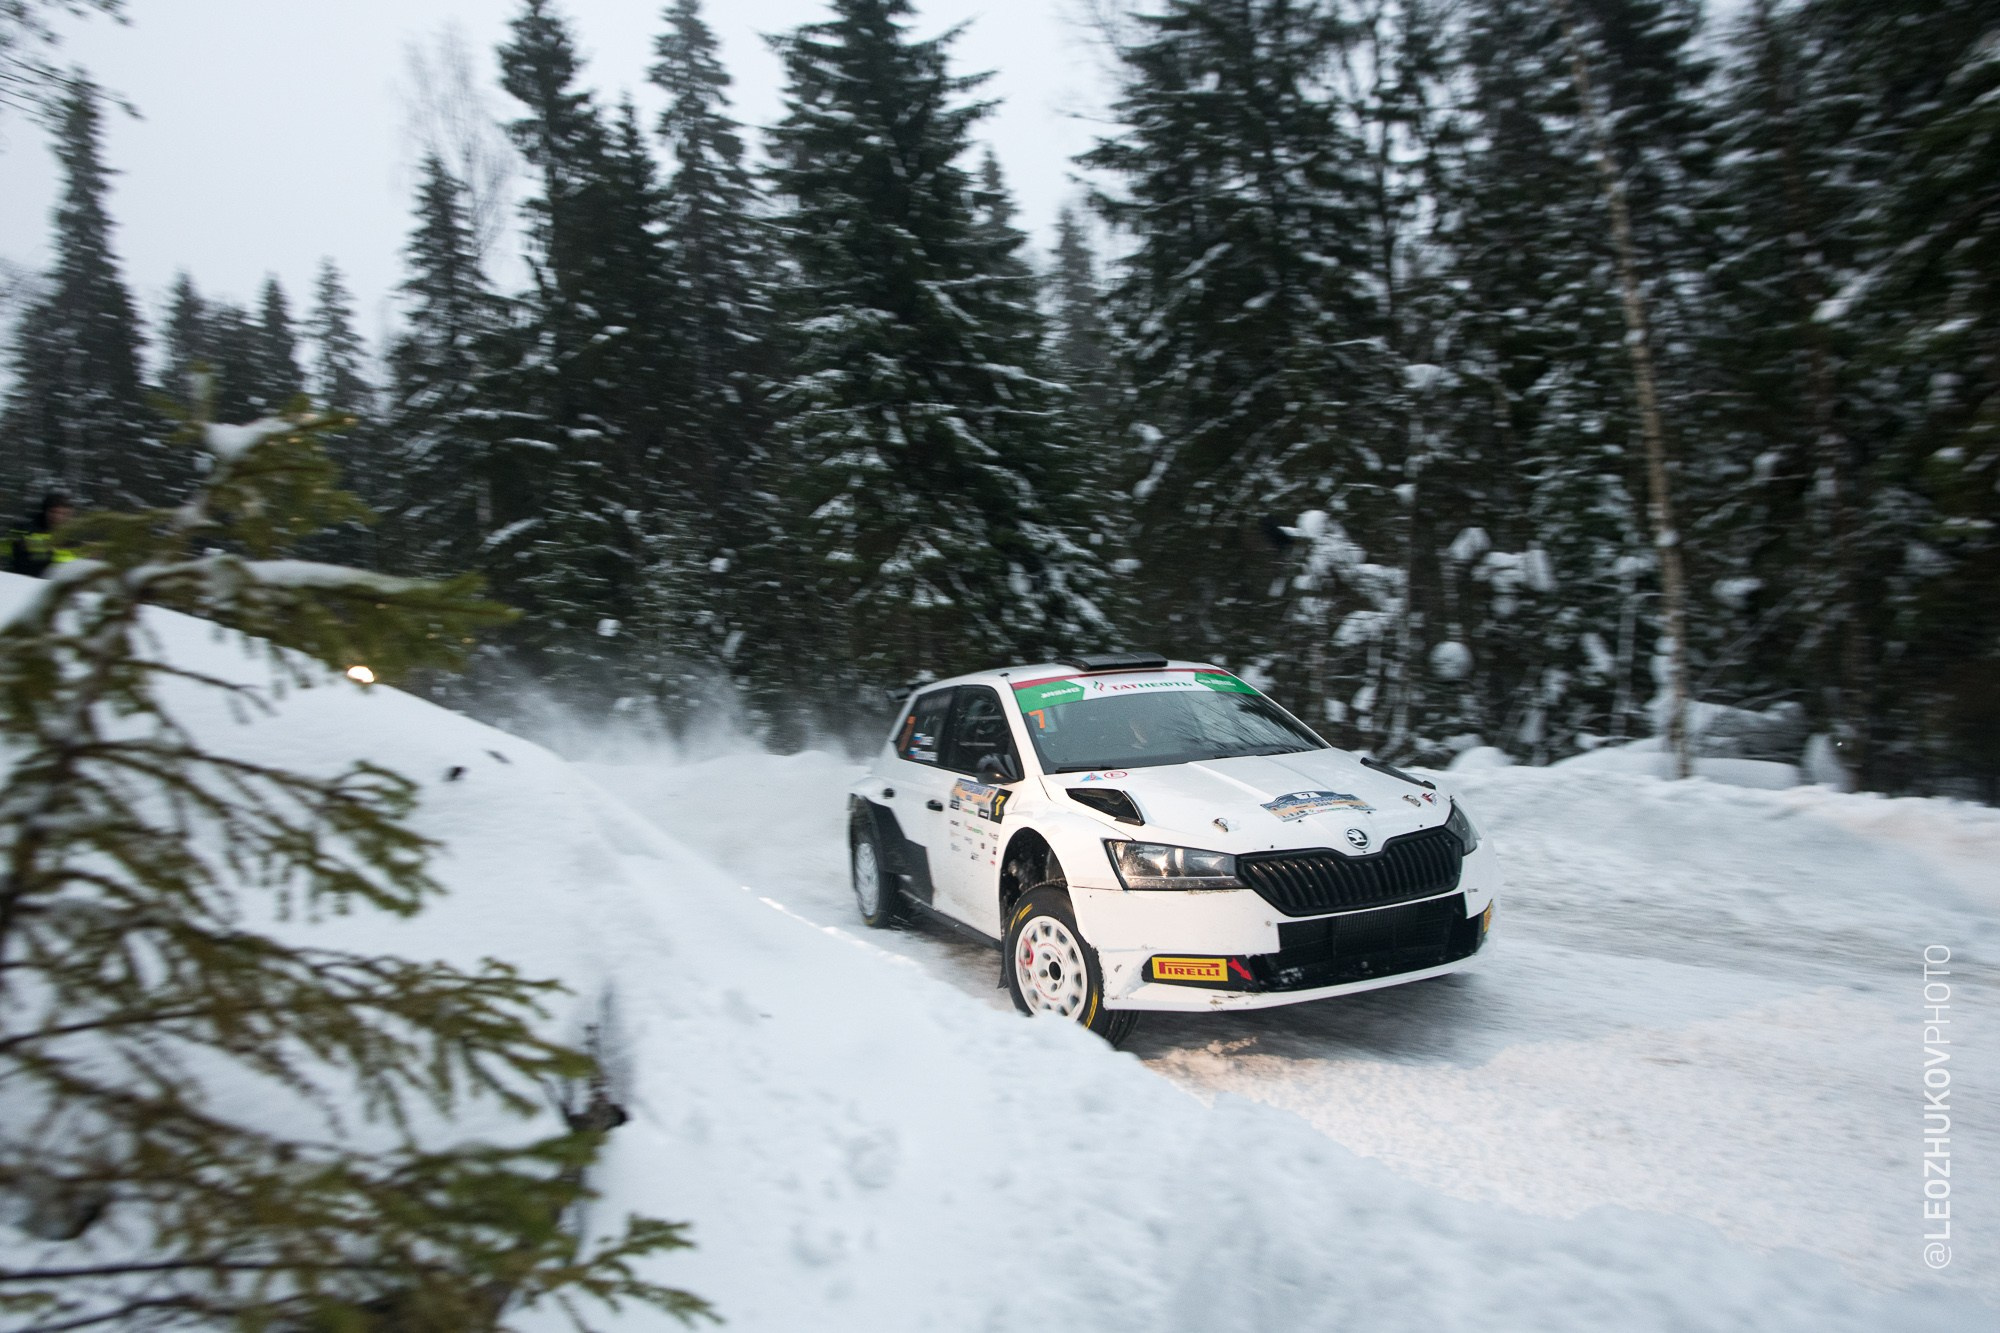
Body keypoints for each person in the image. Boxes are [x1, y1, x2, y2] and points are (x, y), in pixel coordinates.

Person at [8, 493, 77, 577]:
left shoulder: (77, 534)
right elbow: (22, 550)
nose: (57, 517)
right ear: (45, 511)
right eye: (53, 512)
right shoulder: (27, 529)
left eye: (63, 513)